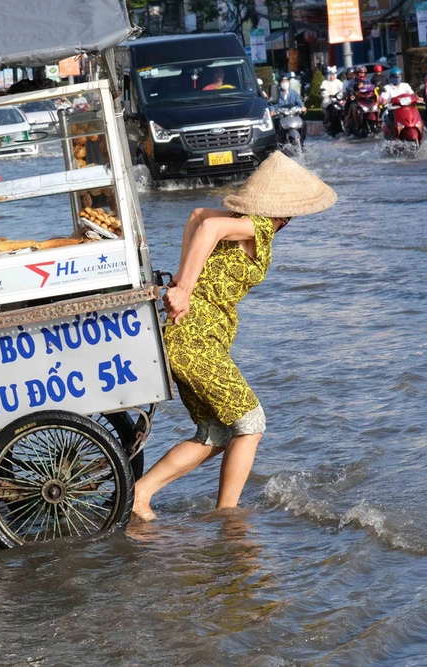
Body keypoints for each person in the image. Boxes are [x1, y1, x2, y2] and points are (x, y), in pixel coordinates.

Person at [131, 152, 337, 521]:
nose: (288, 221)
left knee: (216, 432)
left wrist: (181, 277)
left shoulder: (239, 221)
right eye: (289, 213)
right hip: (196, 339)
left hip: (191, 337)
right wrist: (185, 288)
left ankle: (140, 494)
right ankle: (228, 515)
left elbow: (197, 216)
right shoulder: (257, 226)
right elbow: (207, 230)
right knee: (251, 422)